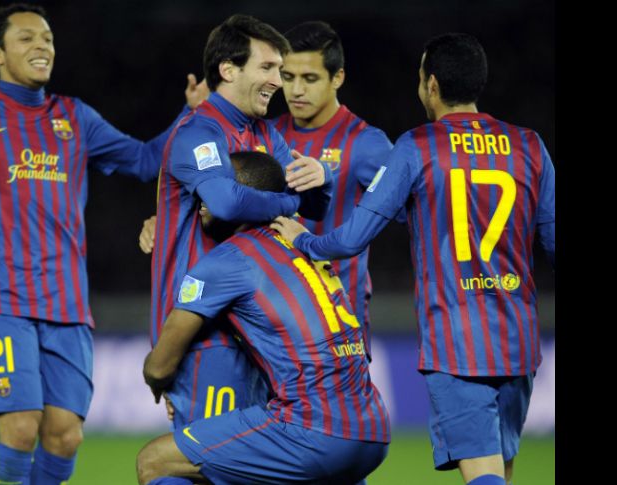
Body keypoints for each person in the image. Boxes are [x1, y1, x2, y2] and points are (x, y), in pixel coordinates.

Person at [0, 4, 190, 484]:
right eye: (26, 38)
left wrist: (193, 115)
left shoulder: (74, 117)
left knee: (64, 436)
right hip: (0, 299)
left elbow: (145, 160)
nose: (41, 46)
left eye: (47, 38)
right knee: (21, 428)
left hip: (67, 303)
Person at [272, 33, 555, 485]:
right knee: (501, 468)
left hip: (457, 339)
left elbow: (352, 238)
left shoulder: (418, 146)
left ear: (432, 85)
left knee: (483, 474)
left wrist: (305, 241)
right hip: (518, 338)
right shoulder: (530, 146)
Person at [138, 151, 389, 485]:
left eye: (214, 188)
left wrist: (159, 382)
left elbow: (160, 366)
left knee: (154, 461)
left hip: (312, 429)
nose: (202, 198)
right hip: (372, 426)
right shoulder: (300, 242)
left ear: (238, 199)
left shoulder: (229, 260)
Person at [149, 14, 333, 430]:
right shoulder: (198, 133)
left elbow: (314, 204)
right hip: (206, 333)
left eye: (279, 70)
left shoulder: (266, 135)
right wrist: (288, 202)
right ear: (228, 70)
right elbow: (226, 203)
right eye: (267, 68)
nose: (278, 81)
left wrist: (324, 174)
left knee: (254, 457)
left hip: (261, 330)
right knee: (208, 458)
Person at [272, 20, 395, 359]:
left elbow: (413, 211)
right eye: (288, 77)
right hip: (273, 318)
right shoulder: (266, 134)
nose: (296, 90)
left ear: (337, 77)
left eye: (309, 78)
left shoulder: (367, 144)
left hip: (338, 319)